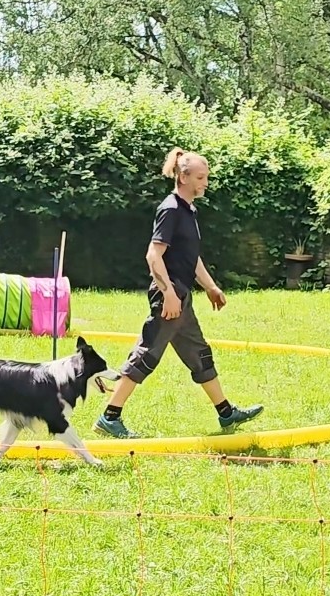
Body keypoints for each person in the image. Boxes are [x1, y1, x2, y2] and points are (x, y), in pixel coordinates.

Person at [94, 148, 264, 438]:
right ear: (183, 177)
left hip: (182, 295)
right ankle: (110, 417)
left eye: (206, 177)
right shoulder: (171, 209)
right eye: (200, 177)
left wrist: (209, 286)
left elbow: (190, 256)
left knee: (199, 353)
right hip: (170, 296)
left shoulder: (188, 210)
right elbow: (153, 255)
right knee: (147, 354)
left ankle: (226, 413)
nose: (205, 182)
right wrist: (169, 293)